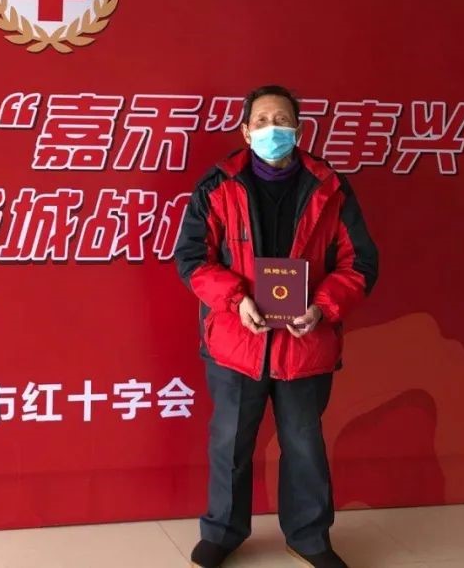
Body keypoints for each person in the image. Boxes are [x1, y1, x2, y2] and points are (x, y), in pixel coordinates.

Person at [175, 85, 378, 568]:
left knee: (304, 445)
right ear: (245, 131)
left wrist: (322, 308)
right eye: (262, 121)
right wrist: (235, 300)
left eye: (282, 121)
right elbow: (192, 258)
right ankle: (223, 531)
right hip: (236, 340)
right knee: (230, 443)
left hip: (306, 341)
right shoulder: (217, 185)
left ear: (299, 130)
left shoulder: (330, 187)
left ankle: (308, 537)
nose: (272, 130)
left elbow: (360, 263)